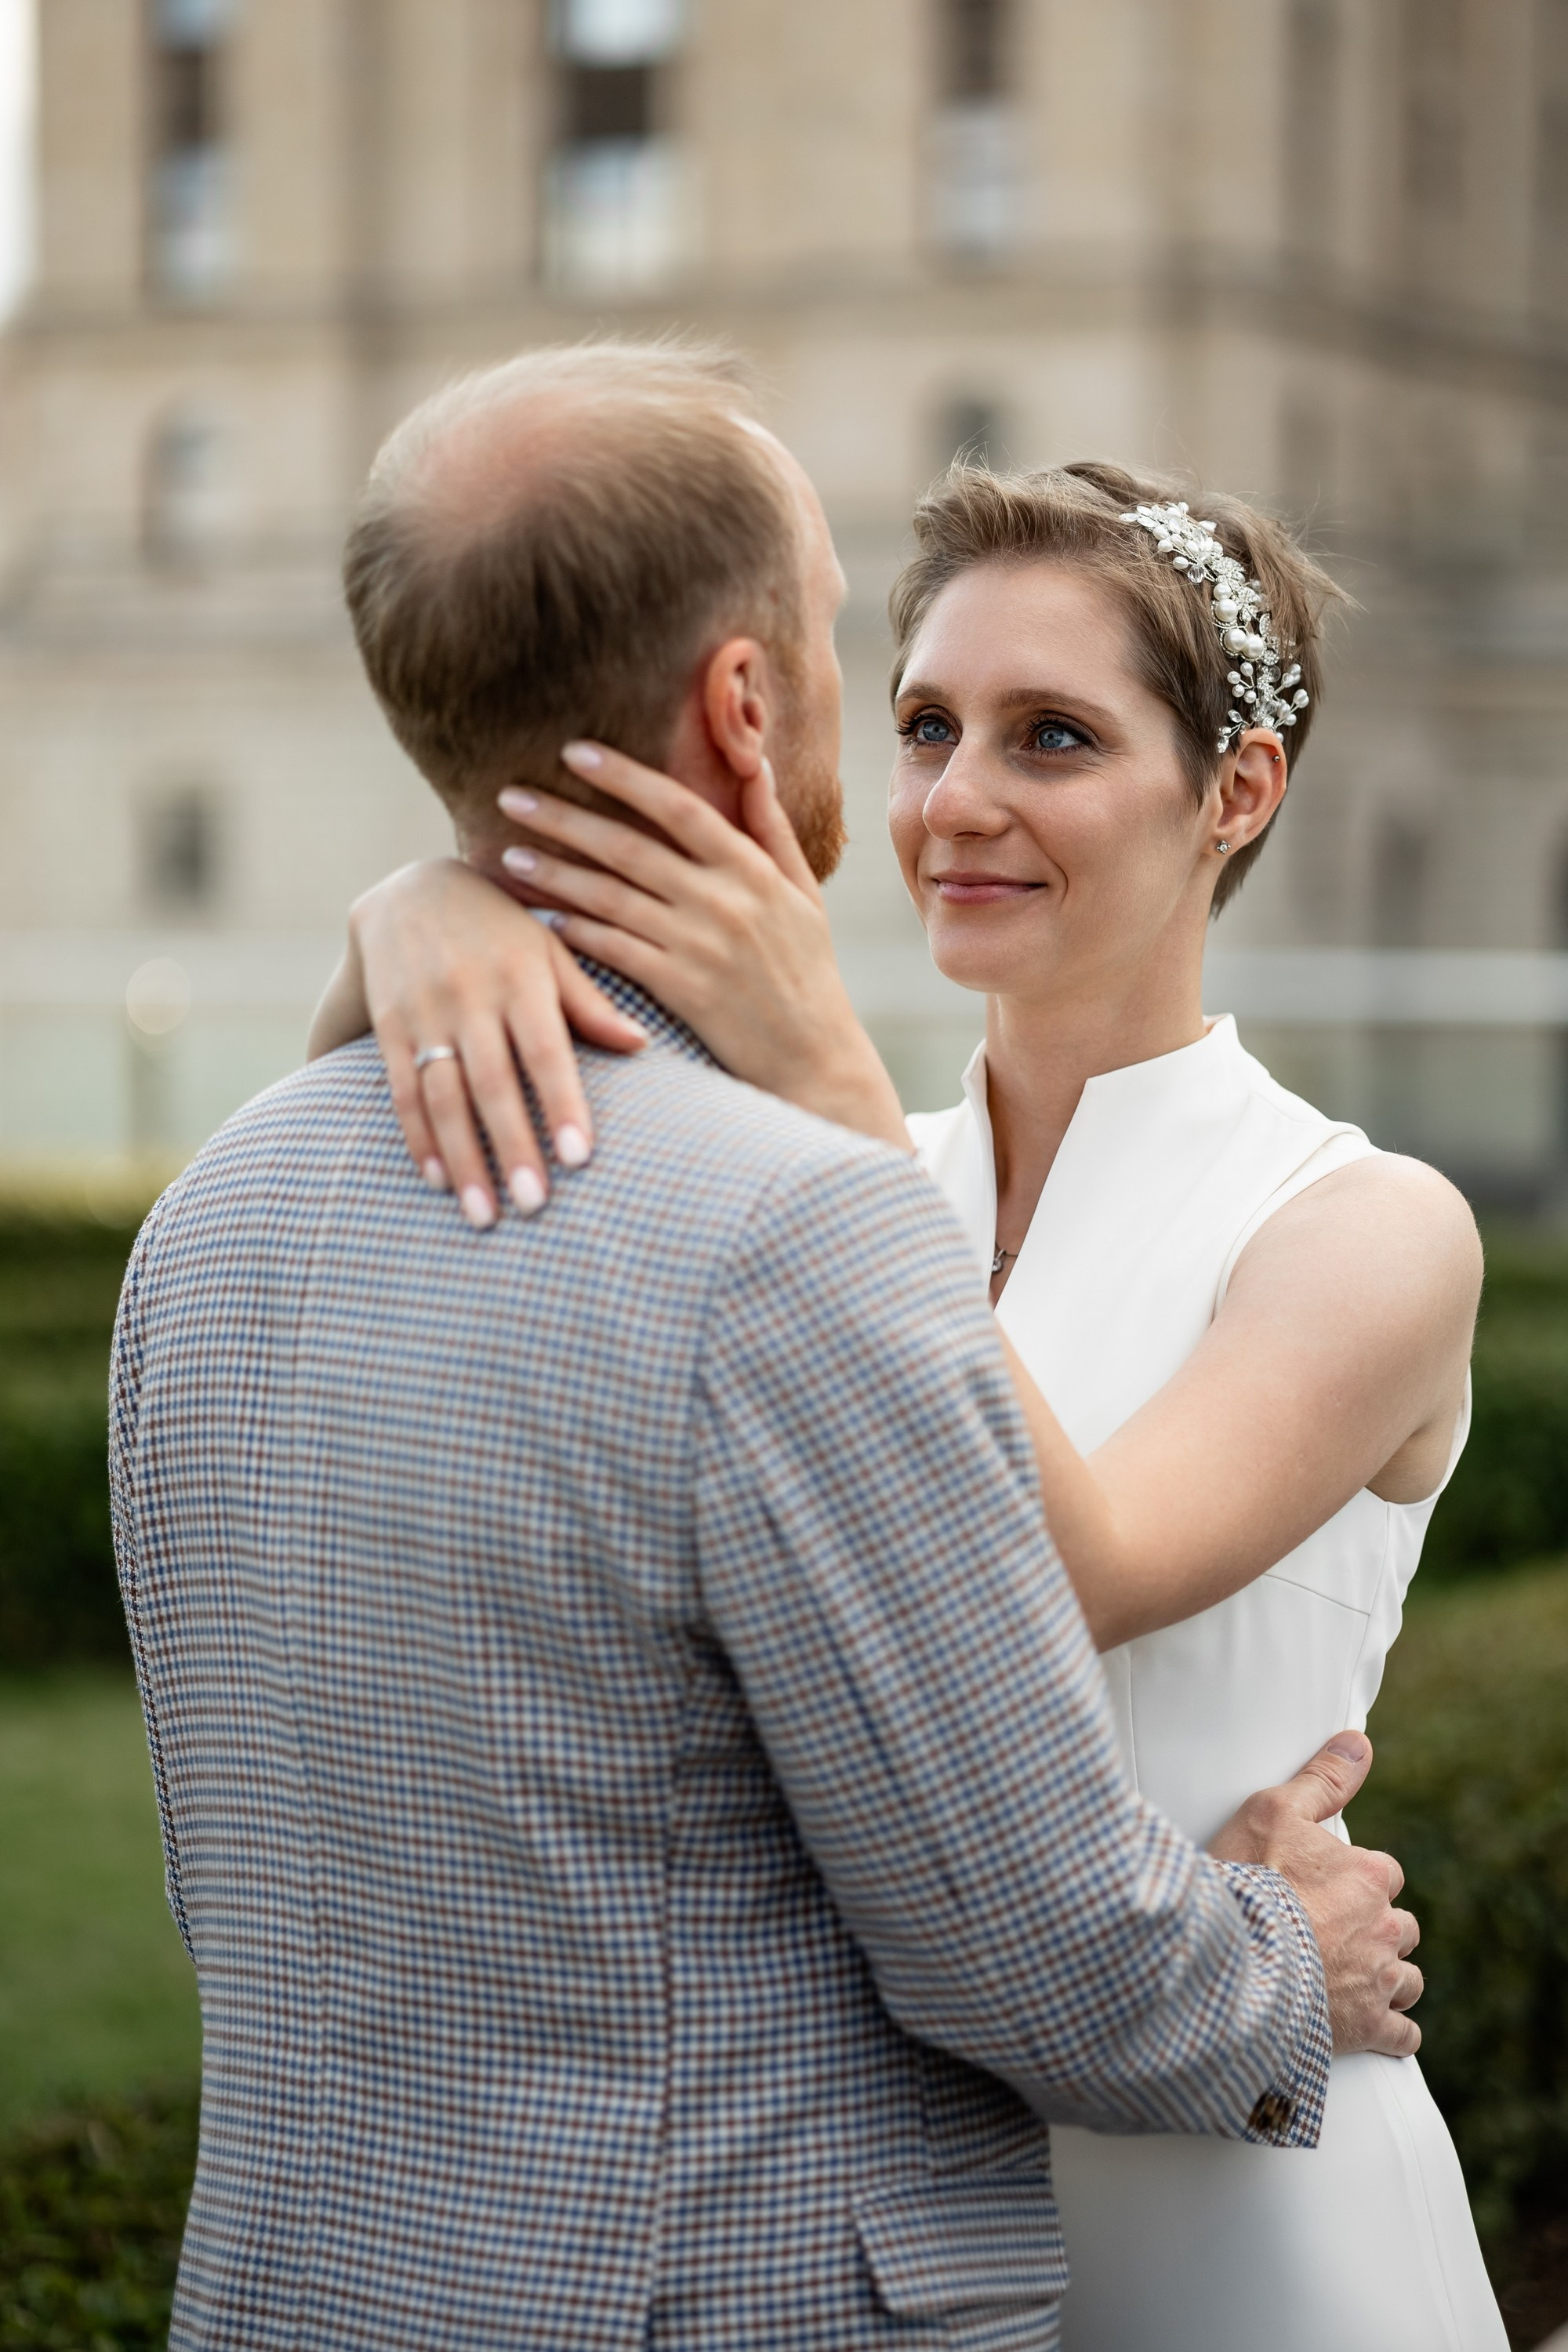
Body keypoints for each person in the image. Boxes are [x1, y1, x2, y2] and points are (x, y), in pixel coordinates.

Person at [111, 343, 1423, 2352]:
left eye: (1051, 737)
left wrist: (472, 898)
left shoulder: (1363, 1222)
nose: (952, 796)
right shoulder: (816, 1201)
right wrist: (424, 919)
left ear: (1233, 787)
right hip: (882, 2192)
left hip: (1224, 2202)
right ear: (762, 708)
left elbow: (1083, 1558)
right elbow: (1033, 1915)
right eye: (914, 716)